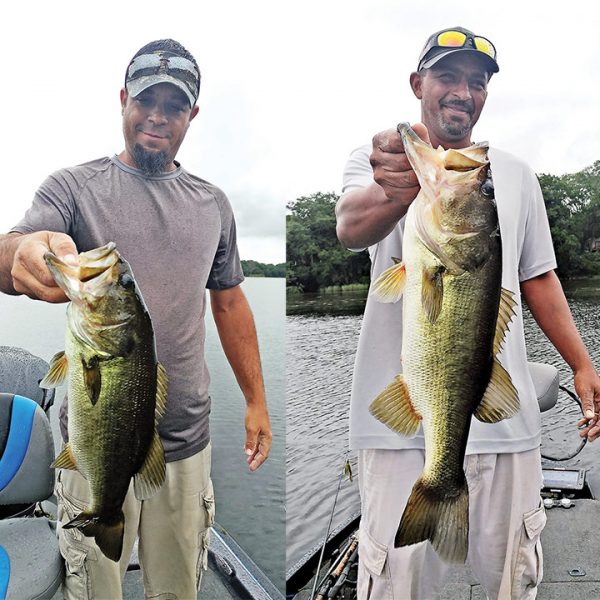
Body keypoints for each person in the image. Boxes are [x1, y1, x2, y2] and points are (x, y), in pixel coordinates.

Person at [0, 38, 272, 599]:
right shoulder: (73, 187)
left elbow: (229, 301)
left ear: (192, 115)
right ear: (123, 99)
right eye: (147, 99)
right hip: (93, 448)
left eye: (175, 105)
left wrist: (255, 400)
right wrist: (22, 258)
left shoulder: (214, 203)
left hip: (186, 441)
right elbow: (14, 251)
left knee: (176, 589)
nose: (158, 116)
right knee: (94, 587)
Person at [336, 26, 600, 599]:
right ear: (418, 84)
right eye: (448, 76)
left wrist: (581, 365)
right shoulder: (382, 159)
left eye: (476, 83)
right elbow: (351, 226)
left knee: (514, 578)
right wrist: (396, 189)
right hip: (397, 430)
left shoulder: (512, 174)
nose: (463, 91)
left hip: (506, 428)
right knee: (397, 585)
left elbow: (538, 277)